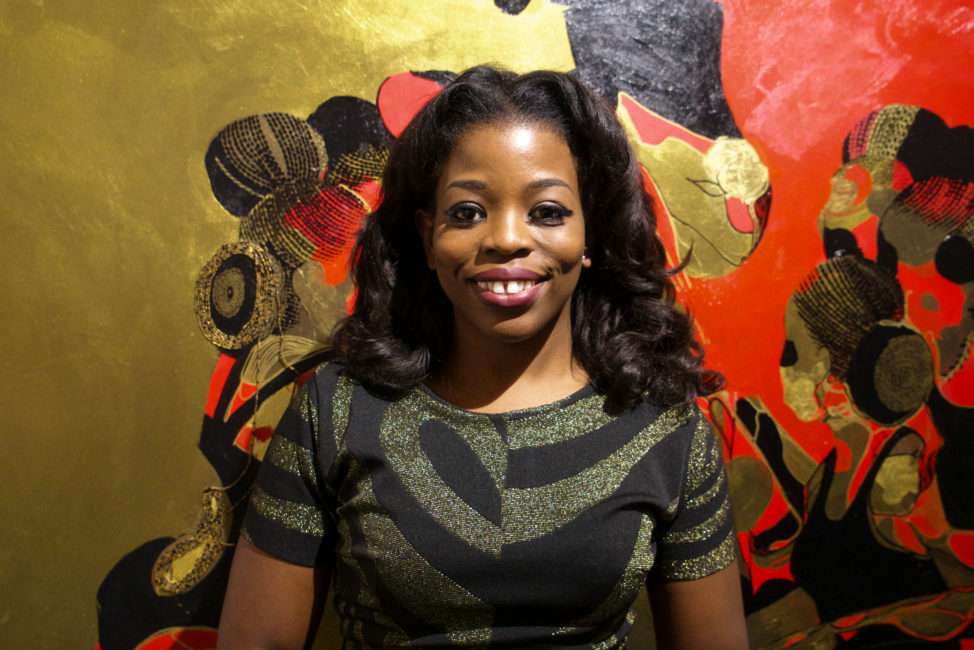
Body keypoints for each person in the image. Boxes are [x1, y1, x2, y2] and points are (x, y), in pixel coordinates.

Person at [218, 65, 748, 649]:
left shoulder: (666, 427)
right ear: (427, 237)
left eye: (548, 212)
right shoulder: (336, 410)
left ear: (590, 234)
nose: (506, 238)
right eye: (468, 212)